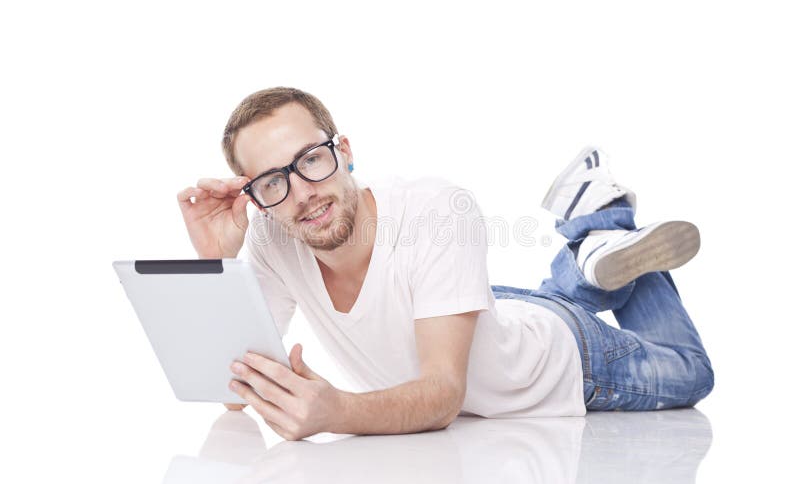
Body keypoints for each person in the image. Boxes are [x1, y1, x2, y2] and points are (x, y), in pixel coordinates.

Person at [176, 87, 715, 441]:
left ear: (344, 150)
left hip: (566, 362)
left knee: (692, 374)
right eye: (272, 181)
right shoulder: (273, 235)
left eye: (311, 159)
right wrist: (215, 263)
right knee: (534, 305)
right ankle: (592, 248)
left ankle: (605, 219)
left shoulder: (436, 209)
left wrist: (336, 412)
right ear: (253, 192)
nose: (301, 194)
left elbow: (442, 395)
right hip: (496, 314)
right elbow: (232, 396)